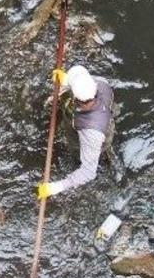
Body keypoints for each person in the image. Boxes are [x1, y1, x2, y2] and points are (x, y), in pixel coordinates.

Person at [37, 65, 115, 199]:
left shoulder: (91, 132)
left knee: (81, 160)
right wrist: (66, 80)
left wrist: (55, 187)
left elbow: (89, 172)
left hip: (94, 136)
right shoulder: (99, 83)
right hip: (97, 117)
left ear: (77, 100)